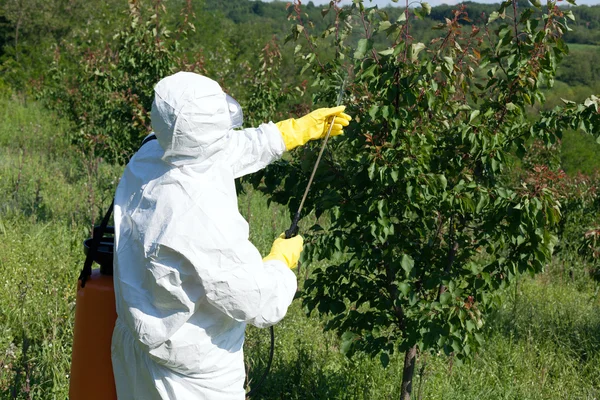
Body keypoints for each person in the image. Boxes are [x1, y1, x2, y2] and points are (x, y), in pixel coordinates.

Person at [111, 71, 351, 399]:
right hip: (191, 376)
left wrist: (291, 132)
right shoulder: (198, 216)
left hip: (138, 349)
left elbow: (222, 150)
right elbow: (260, 301)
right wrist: (280, 262)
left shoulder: (152, 154)